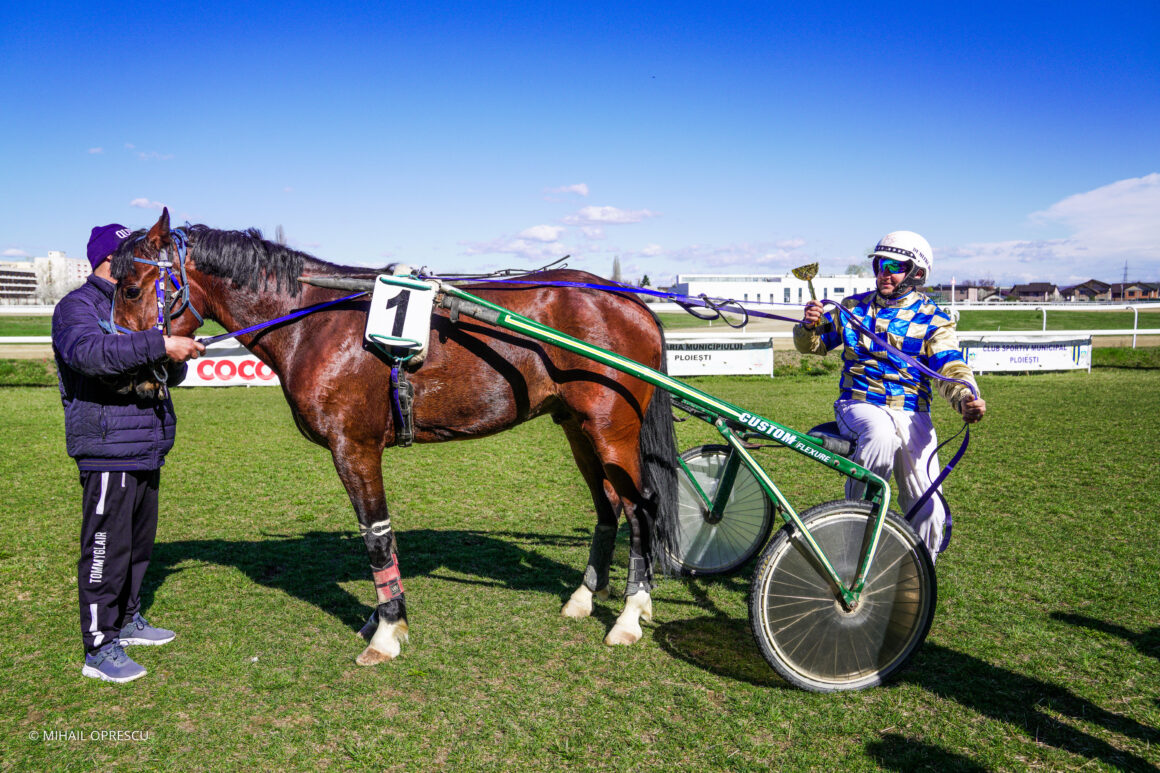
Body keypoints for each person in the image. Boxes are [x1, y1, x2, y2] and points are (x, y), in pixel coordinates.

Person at [52, 223, 205, 682]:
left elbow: (155, 371)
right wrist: (160, 344)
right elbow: (90, 354)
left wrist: (173, 360)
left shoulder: (141, 299)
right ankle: (98, 647)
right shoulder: (76, 306)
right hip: (107, 448)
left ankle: (128, 618)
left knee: (138, 546)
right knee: (105, 547)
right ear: (109, 259)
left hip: (146, 443)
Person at [794, 230, 986, 561]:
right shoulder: (852, 307)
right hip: (859, 404)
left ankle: (916, 584)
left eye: (895, 265)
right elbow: (814, 346)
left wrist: (965, 397)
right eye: (880, 263)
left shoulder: (934, 319)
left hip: (913, 412)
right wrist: (809, 326)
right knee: (881, 435)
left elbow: (949, 367)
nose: (885, 271)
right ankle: (851, 544)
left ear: (917, 273)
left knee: (930, 511)